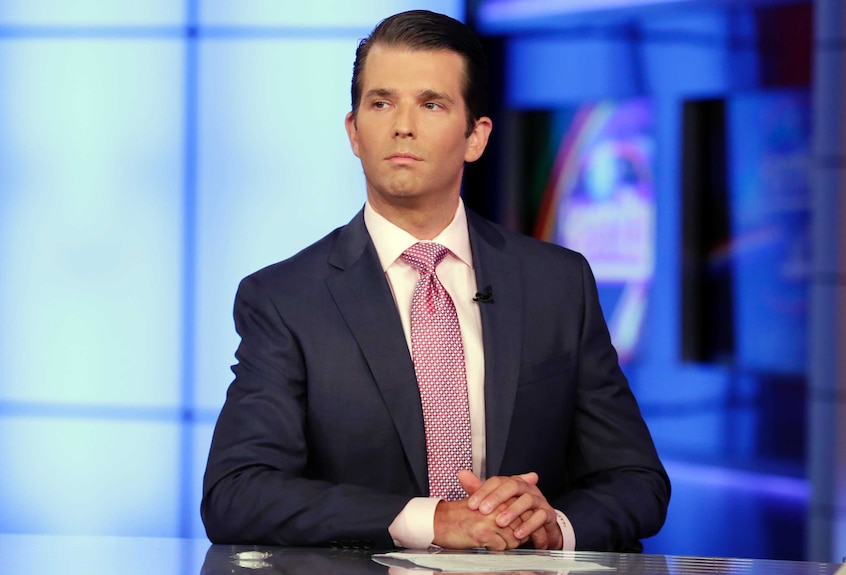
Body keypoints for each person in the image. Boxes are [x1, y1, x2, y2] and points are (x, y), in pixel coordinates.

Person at [201, 9, 669, 552]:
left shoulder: (558, 284)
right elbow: (237, 493)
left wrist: (552, 525)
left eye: (431, 104)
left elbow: (637, 482)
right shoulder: (285, 299)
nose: (403, 125)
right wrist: (431, 521)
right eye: (381, 103)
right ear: (354, 132)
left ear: (476, 136)